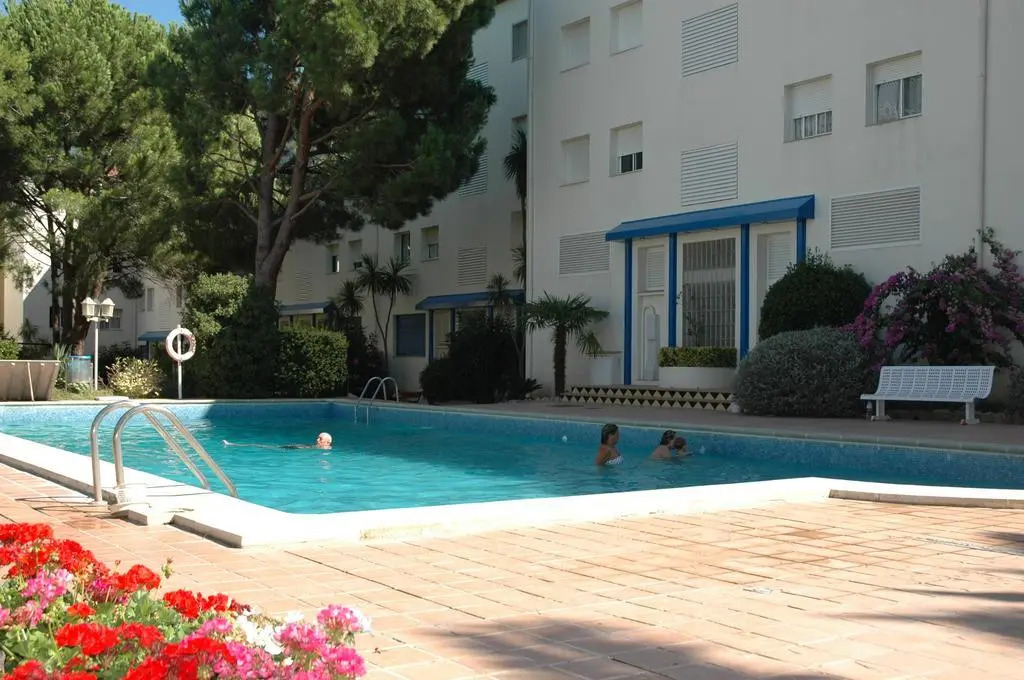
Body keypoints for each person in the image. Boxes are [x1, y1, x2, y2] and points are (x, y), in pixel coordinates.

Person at [223, 432, 333, 450]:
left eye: (320, 438)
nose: (317, 439)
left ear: (327, 442)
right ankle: (234, 444)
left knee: (269, 447)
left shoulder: (326, 449)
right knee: (271, 447)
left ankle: (233, 444)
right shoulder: (319, 448)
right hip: (294, 448)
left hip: (295, 449)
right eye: (318, 437)